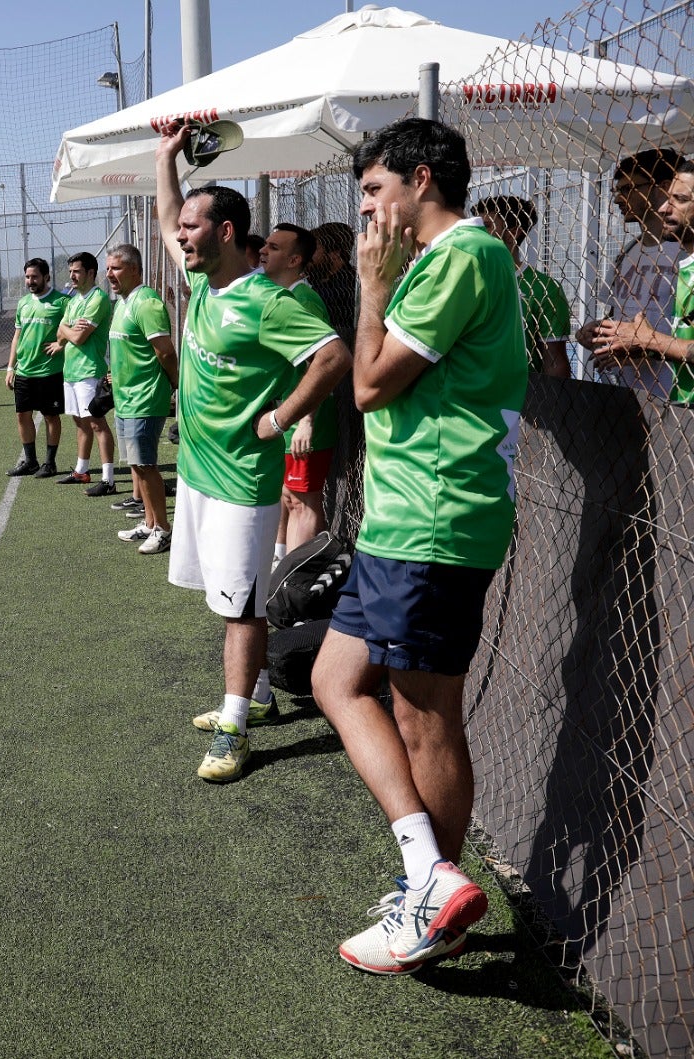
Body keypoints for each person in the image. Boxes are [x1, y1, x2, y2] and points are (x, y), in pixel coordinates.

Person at [310, 117, 528, 976]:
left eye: (372, 190)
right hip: (401, 520)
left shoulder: (464, 256)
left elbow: (366, 385)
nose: (364, 209)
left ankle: (435, 908)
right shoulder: (435, 262)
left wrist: (370, 290)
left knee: (423, 712)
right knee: (335, 679)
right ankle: (427, 874)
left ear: (422, 179)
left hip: (437, 520)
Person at [154, 127, 351, 784]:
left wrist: (283, 415)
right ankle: (258, 696)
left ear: (228, 231)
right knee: (226, 599)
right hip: (198, 475)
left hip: (242, 481)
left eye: (193, 226)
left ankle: (237, 726)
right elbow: (164, 215)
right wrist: (166, 158)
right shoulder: (206, 281)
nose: (180, 235)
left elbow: (333, 357)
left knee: (242, 608)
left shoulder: (268, 300)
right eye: (181, 226)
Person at [260, 223, 341, 559]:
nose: (263, 251)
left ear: (294, 261)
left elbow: (321, 363)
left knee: (302, 501)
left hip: (307, 418)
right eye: (266, 245)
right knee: (287, 495)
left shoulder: (304, 300)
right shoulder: (283, 297)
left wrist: (306, 421)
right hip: (288, 414)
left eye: (274, 247)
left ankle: (299, 584)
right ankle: (281, 569)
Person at [578, 147, 687, 397]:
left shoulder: (685, 254)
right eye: (616, 190)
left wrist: (647, 346)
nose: (617, 199)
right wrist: (601, 333)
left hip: (675, 400)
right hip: (627, 396)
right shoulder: (628, 252)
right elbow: (619, 315)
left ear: (663, 187)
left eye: (628, 189)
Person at [104, 244, 177, 555]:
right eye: (108, 269)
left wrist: (177, 385)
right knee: (137, 464)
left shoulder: (147, 303)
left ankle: (163, 529)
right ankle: (149, 522)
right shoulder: (123, 303)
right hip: (126, 398)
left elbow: (164, 351)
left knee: (146, 465)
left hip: (145, 398)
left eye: (116, 268)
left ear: (135, 269)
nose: (109, 274)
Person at [473, 195, 572, 378]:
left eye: (485, 226)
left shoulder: (543, 288)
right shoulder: (463, 280)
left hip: (519, 398)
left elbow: (555, 362)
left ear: (513, 232)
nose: (474, 231)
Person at [53, 251, 119, 495]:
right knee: (79, 423)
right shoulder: (73, 301)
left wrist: (66, 328)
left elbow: (78, 337)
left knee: (97, 423)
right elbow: (61, 333)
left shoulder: (98, 299)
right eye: (70, 271)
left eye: (77, 271)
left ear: (91, 273)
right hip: (71, 371)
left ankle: (108, 480)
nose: (72, 275)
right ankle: (82, 471)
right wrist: (66, 328)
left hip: (90, 371)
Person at [5, 258, 70, 476]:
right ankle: (30, 461)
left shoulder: (62, 302)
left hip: (50, 371)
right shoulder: (23, 303)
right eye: (27, 277)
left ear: (46, 277)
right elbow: (17, 336)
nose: (30, 281)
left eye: (34, 276)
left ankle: (50, 463)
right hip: (24, 371)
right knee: (22, 415)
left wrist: (61, 344)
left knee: (51, 416)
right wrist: (10, 367)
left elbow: (74, 331)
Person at [309, 222, 359, 350]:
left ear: (335, 253)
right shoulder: (319, 282)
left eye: (314, 249)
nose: (307, 255)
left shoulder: (350, 288)